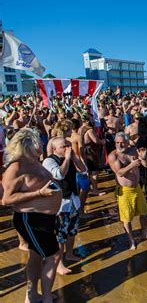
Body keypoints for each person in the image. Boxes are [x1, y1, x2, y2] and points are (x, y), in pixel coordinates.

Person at [1, 128, 62, 303]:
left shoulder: (35, 161)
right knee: (54, 256)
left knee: (36, 256)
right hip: (31, 219)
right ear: (29, 144)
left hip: (46, 218)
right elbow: (6, 199)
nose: (42, 145)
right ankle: (47, 298)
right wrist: (40, 194)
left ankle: (32, 296)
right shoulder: (16, 167)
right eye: (39, 143)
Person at [43, 137, 86, 275]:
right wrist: (67, 159)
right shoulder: (49, 161)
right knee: (60, 236)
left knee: (72, 230)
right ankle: (59, 264)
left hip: (73, 199)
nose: (67, 148)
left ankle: (70, 254)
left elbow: (83, 170)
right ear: (55, 149)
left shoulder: (71, 157)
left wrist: (74, 157)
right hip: (60, 203)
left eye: (68, 145)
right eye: (64, 146)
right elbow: (59, 175)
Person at [108, 132, 147, 250]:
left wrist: (144, 158)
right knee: (127, 218)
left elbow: (146, 165)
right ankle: (131, 241)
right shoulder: (113, 156)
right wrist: (132, 164)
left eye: (122, 143)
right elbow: (119, 172)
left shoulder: (133, 151)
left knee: (144, 212)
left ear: (127, 142)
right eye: (117, 143)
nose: (119, 145)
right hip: (125, 191)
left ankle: (144, 233)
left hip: (137, 188)